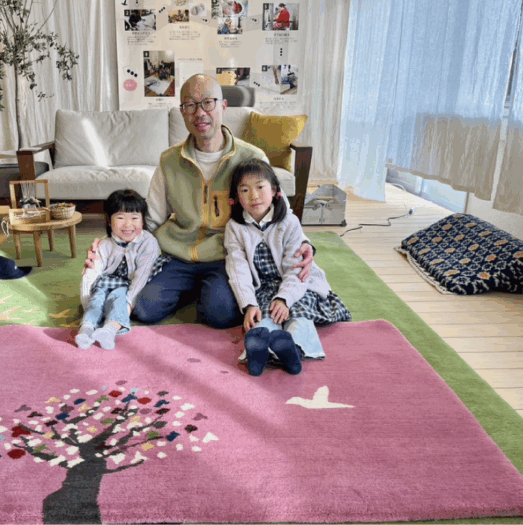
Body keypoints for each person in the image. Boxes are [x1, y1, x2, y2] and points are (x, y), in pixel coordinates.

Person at [85, 74, 313, 329]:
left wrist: (304, 243)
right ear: (182, 112)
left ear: (223, 106)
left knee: (221, 314)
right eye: (191, 105)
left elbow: (280, 212)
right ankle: (192, 289)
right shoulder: (169, 160)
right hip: (176, 254)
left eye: (207, 102)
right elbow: (151, 219)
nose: (200, 112)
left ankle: (207, 292)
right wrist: (109, 243)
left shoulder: (252, 157)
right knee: (145, 309)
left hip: (225, 256)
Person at [225, 159, 352, 375]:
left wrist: (285, 298)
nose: (253, 196)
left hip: (297, 284)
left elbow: (296, 268)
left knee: (299, 315)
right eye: (244, 190)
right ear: (236, 197)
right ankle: (258, 351)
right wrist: (248, 304)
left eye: (260, 187)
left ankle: (293, 349)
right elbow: (237, 269)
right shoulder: (235, 227)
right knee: (263, 317)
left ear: (275, 190)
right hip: (263, 287)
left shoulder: (289, 222)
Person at [76, 189, 160, 350]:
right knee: (97, 297)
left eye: (134, 218)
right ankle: (85, 329)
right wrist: (87, 302)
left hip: (128, 287)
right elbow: (91, 273)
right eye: (120, 218)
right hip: (105, 283)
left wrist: (129, 303)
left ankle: (110, 330)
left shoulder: (148, 243)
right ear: (109, 221)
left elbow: (142, 277)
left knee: (119, 296)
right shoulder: (104, 244)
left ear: (143, 221)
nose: (127, 224)